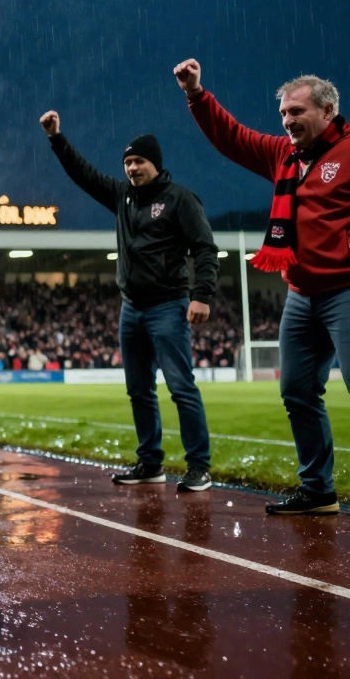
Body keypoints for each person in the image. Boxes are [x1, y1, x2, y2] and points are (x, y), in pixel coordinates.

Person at [175, 58, 348, 515]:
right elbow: (232, 138)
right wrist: (197, 94)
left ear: (328, 112)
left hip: (345, 291)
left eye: (297, 112)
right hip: (301, 294)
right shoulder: (283, 155)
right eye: (284, 115)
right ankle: (318, 491)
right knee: (296, 391)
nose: (288, 121)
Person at [39, 109, 218, 492]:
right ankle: (150, 463)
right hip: (131, 309)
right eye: (127, 162)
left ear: (155, 163)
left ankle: (199, 466)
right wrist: (57, 138)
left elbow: (204, 248)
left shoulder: (180, 199)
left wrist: (201, 295)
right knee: (139, 391)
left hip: (169, 306)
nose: (132, 168)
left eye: (138, 161)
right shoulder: (122, 196)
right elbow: (83, 174)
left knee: (181, 387)